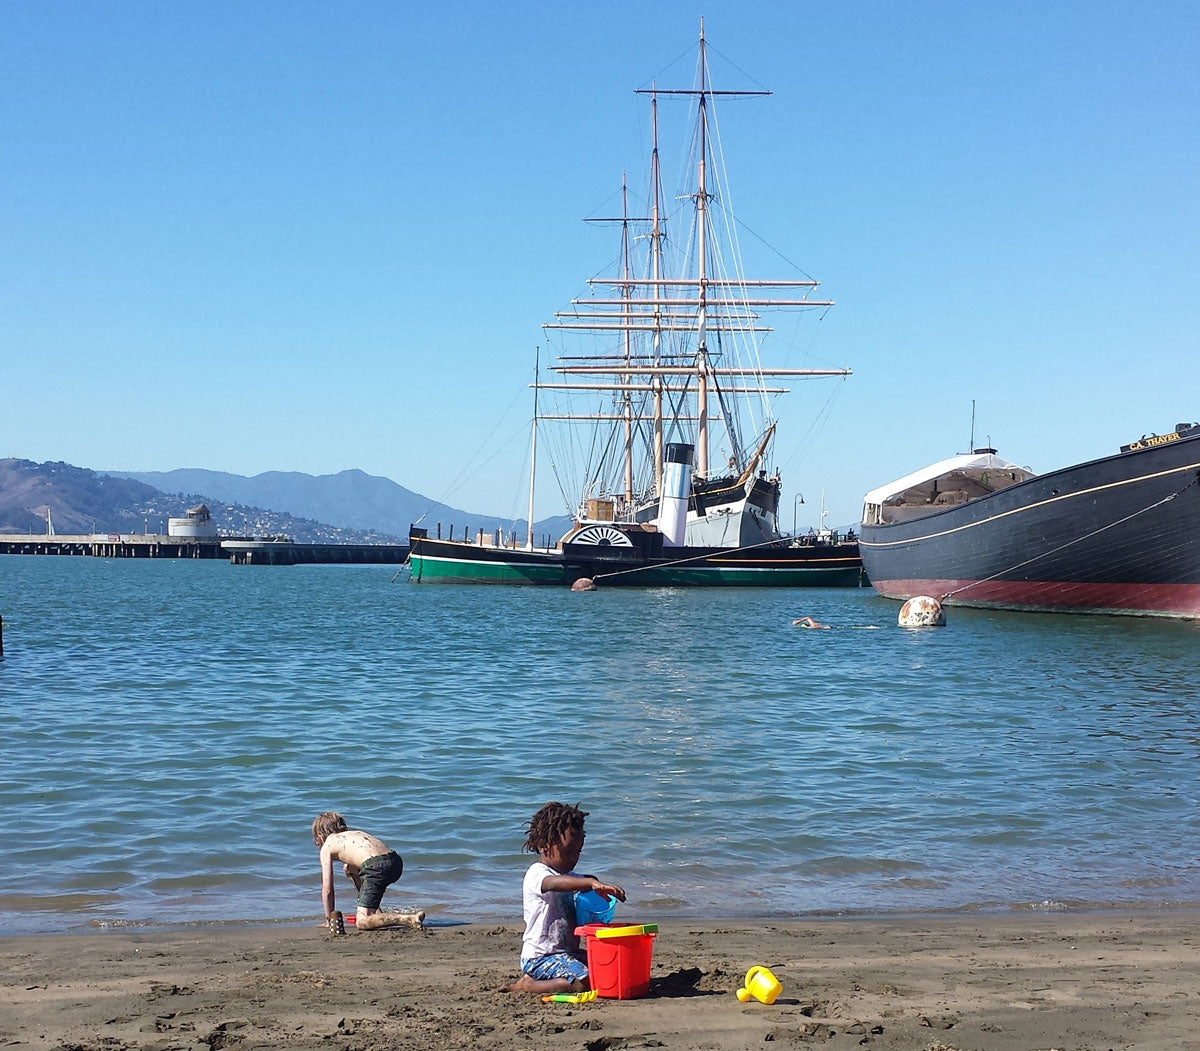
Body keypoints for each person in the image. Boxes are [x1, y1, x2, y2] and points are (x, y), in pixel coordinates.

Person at [505, 801, 626, 994]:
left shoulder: (572, 877)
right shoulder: (537, 873)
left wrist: (599, 889)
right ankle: (528, 985)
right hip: (541, 957)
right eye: (568, 851)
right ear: (545, 846)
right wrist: (589, 884)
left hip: (568, 953)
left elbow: (585, 880)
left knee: (608, 967)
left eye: (578, 851)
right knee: (585, 982)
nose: (574, 857)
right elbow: (555, 883)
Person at [311, 811, 425, 931]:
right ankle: (374, 909)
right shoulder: (355, 834)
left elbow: (327, 889)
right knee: (349, 869)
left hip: (376, 867)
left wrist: (330, 920)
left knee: (362, 922)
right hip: (395, 862)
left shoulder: (327, 845)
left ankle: (407, 919)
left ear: (320, 837)